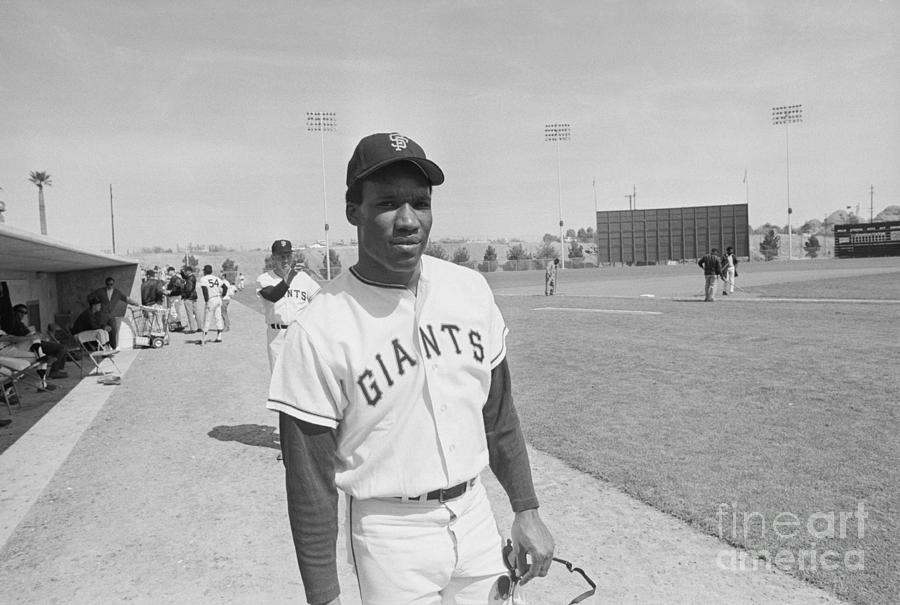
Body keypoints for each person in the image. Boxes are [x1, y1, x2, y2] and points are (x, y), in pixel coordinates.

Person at [267, 132, 554, 605]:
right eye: (387, 203)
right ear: (352, 211)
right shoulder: (319, 327)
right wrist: (323, 597)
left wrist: (526, 508)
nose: (408, 220)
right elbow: (309, 483)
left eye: (420, 203)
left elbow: (498, 416)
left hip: (474, 514)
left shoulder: (470, 290)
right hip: (388, 532)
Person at [256, 239, 320, 371]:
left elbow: (320, 300)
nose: (285, 260)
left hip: (300, 335)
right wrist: (291, 276)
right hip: (277, 336)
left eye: (288, 256)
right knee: (279, 382)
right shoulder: (264, 279)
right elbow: (273, 295)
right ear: (273, 258)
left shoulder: (303, 278)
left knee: (304, 377)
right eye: (281, 257)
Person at [8, 304, 67, 379]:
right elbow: (18, 338)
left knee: (60, 348)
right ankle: (54, 371)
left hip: (32, 342)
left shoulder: (18, 322)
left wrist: (35, 336)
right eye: (21, 312)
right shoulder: (12, 324)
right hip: (27, 345)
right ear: (14, 312)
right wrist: (33, 336)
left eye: (25, 313)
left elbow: (29, 334)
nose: (23, 315)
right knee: (62, 348)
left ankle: (55, 367)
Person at [91, 276, 138, 349]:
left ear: (113, 284)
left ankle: (114, 346)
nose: (109, 286)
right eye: (108, 284)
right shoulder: (100, 291)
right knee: (102, 331)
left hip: (110, 314)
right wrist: (95, 307)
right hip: (101, 314)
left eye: (111, 284)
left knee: (113, 330)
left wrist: (136, 303)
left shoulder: (117, 293)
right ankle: (103, 347)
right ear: (106, 284)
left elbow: (126, 299)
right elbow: (90, 297)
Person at [198, 265, 225, 344]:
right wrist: (223, 295)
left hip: (211, 299)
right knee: (218, 317)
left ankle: (204, 338)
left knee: (207, 318)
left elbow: (205, 291)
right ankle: (219, 336)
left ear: (205, 271)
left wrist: (206, 301)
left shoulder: (203, 279)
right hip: (218, 298)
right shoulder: (216, 278)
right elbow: (225, 287)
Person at [163, 266, 186, 331]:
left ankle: (176, 326)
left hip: (175, 297)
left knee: (174, 311)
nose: (167, 272)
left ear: (171, 271)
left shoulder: (175, 278)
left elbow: (178, 286)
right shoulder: (176, 278)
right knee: (176, 311)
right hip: (176, 296)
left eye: (168, 271)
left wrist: (170, 291)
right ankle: (178, 325)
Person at [180, 266, 201, 334]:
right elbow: (185, 277)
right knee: (196, 312)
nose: (185, 272)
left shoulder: (190, 278)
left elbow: (189, 289)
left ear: (189, 271)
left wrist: (184, 294)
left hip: (189, 297)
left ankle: (192, 329)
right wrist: (182, 273)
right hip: (193, 297)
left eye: (186, 271)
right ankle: (199, 327)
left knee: (190, 313)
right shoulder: (192, 277)